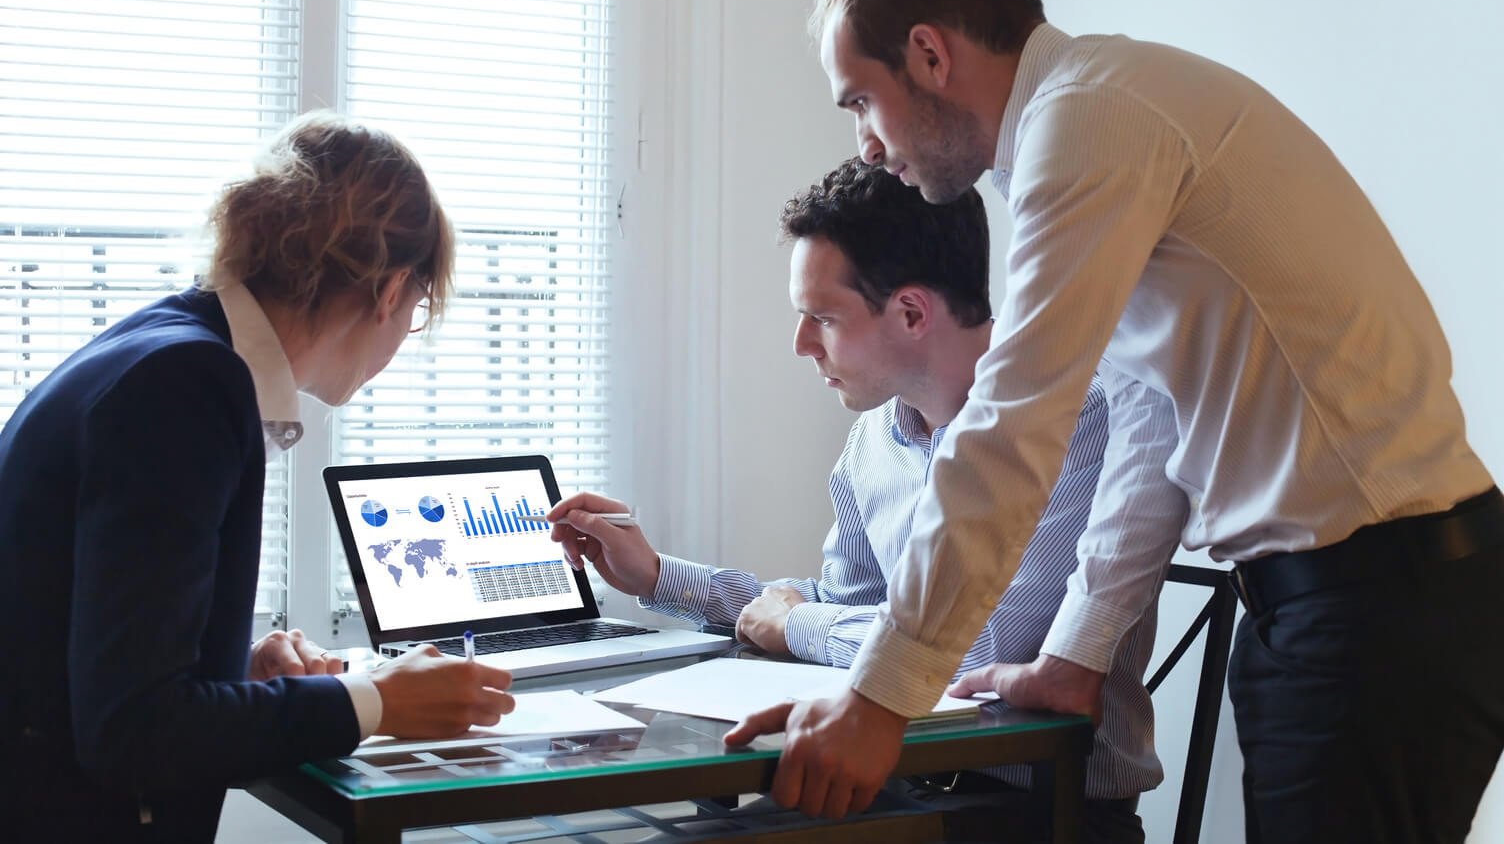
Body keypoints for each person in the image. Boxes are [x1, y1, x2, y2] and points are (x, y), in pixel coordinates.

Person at [725, 0, 1504, 843]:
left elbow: (1013, 427)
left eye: (859, 100)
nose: (866, 144)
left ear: (929, 56)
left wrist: (879, 699)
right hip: (1342, 604)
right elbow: (1149, 421)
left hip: (1379, 605)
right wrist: (1074, 658)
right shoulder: (1091, 117)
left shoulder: (1088, 122)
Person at [549, 159, 1171, 842]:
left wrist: (799, 624)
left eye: (822, 317)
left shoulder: (1075, 418)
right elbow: (848, 611)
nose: (801, 344)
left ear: (909, 312)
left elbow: (966, 652)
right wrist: (661, 576)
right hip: (892, 783)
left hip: (1040, 812)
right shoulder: (872, 442)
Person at [0, 112, 516, 842]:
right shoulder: (188, 385)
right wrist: (369, 700)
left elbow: (92, 650)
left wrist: (235, 670)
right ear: (392, 289)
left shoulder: (159, 346)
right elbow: (132, 730)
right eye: (420, 307)